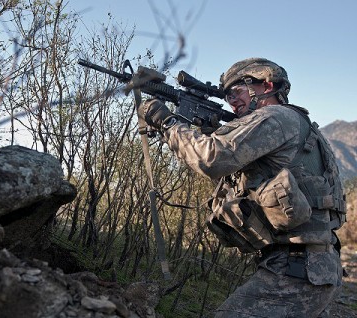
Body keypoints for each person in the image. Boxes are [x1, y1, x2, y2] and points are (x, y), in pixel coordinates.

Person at [138, 57, 346, 317]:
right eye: (227, 97)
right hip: (313, 265)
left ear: (267, 85)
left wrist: (166, 122)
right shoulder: (300, 125)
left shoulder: (275, 117)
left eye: (237, 92)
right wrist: (211, 130)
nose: (232, 101)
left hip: (297, 268)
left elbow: (210, 158)